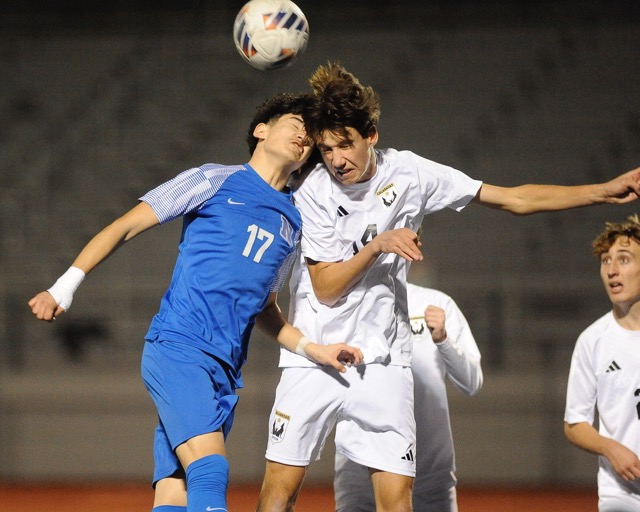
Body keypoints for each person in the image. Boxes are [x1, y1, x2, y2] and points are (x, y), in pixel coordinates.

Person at [255, 62, 640, 512]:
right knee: (279, 491)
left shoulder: (411, 174)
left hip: (383, 360)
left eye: (345, 144)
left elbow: (512, 198)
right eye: (326, 148)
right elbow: (324, 287)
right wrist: (378, 245)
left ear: (371, 135)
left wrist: (600, 190)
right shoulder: (315, 192)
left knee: (398, 500)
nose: (336, 159)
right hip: (315, 358)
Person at [27, 92, 363, 512]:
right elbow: (125, 227)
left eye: (310, 134)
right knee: (209, 471)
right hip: (179, 348)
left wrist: (316, 349)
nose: (303, 134)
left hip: (223, 372)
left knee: (175, 489)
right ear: (261, 130)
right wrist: (63, 287)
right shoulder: (212, 179)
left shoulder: (294, 222)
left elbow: (265, 309)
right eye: (295, 122)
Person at [334, 281, 482, 512]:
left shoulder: (437, 303)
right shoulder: (344, 303)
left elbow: (472, 383)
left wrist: (443, 340)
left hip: (430, 472)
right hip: (359, 468)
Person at [564, 214, 640, 512]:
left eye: (623, 259)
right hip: (620, 494)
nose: (611, 270)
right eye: (605, 260)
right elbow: (574, 424)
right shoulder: (592, 340)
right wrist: (612, 449)